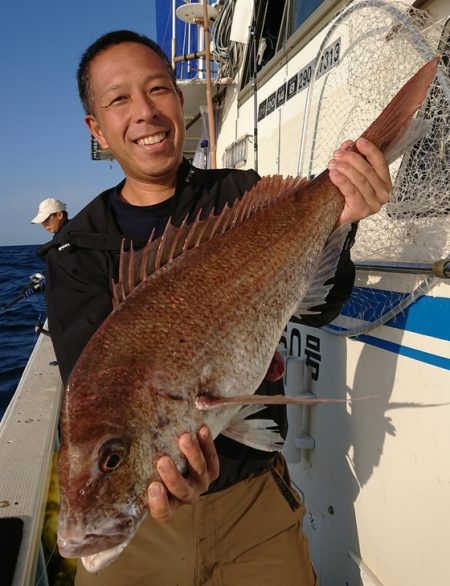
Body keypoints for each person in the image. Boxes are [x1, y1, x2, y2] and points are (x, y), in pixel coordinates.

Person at [43, 30, 392, 586]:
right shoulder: (74, 251)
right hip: (143, 542)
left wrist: (342, 221)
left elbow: (318, 311)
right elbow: (101, 399)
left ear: (178, 103)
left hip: (254, 508)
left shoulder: (242, 196)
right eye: (118, 100)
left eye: (158, 89)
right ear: (97, 130)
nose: (144, 112)